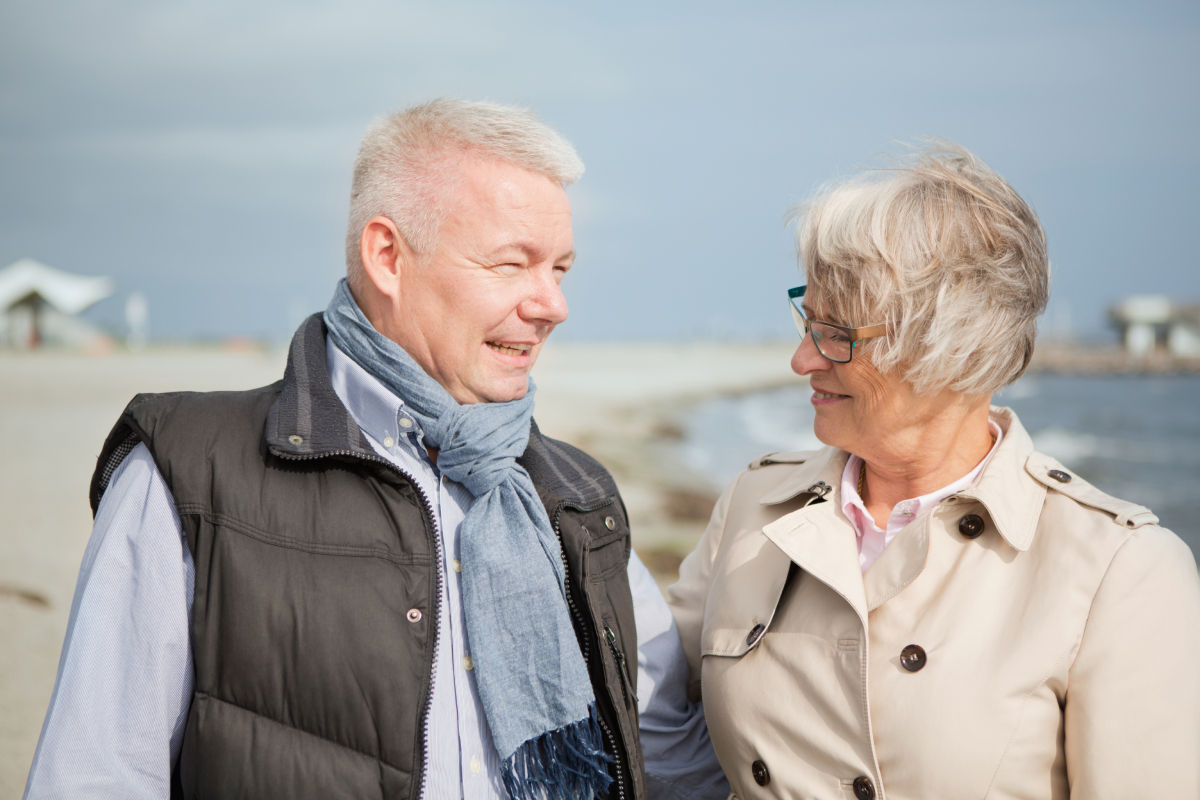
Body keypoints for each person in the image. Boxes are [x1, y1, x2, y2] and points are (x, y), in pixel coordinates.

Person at [24, 99, 727, 800]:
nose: (552, 304)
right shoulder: (187, 473)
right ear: (387, 256)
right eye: (513, 264)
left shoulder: (578, 498)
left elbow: (677, 767)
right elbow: (92, 779)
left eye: (561, 270)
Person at [667, 141, 1200, 799]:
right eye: (809, 322)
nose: (802, 360)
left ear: (949, 350)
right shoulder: (756, 503)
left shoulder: (1122, 570)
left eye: (838, 334)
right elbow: (648, 708)